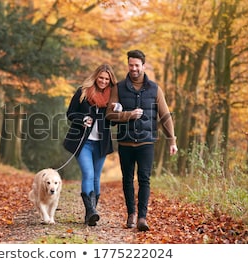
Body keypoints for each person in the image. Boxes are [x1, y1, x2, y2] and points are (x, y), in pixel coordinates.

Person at [106, 50, 178, 231]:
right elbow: (109, 114)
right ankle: (131, 214)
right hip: (125, 143)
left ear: (143, 66)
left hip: (146, 142)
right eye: (131, 65)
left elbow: (165, 116)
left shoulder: (154, 89)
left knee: (145, 179)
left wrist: (172, 140)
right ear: (128, 65)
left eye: (137, 65)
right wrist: (128, 115)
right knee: (128, 180)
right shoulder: (119, 88)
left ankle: (142, 218)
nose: (134, 68)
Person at [63, 63, 118, 226]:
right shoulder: (83, 91)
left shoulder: (113, 97)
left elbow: (113, 123)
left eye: (106, 79)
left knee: (96, 177)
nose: (103, 81)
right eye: (101, 77)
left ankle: (91, 213)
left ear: (110, 80)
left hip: (101, 144)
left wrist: (116, 111)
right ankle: (91, 211)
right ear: (95, 77)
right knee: (88, 173)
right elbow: (70, 113)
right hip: (83, 142)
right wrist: (82, 119)